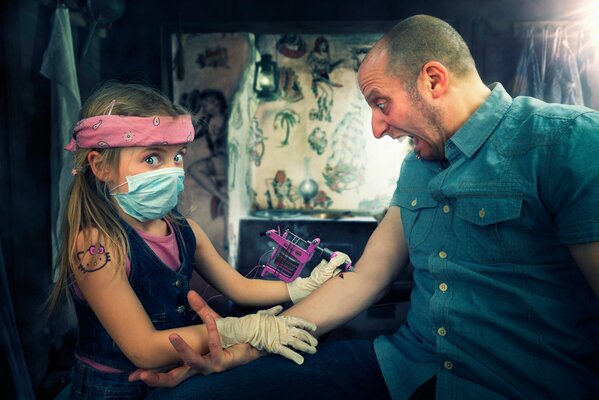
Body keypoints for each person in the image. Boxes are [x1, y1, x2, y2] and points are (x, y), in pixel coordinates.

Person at [137, 15, 599, 400]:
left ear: (433, 80)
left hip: (517, 386)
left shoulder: (567, 141)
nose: (378, 128)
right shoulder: (417, 166)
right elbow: (364, 279)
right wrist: (252, 345)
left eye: (382, 103)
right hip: (407, 366)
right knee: (189, 396)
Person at [47, 81, 351, 399]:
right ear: (100, 166)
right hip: (112, 390)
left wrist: (302, 287)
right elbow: (145, 350)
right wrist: (241, 330)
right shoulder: (96, 245)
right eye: (152, 159)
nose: (172, 171)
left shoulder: (185, 230)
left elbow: (240, 287)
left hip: (178, 376)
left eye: (177, 157)